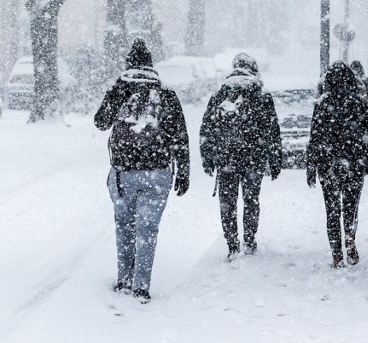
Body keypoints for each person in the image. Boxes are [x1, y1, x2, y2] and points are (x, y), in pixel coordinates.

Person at [94, 38, 190, 303]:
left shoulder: (121, 88)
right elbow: (179, 135)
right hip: (157, 172)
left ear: (128, 63)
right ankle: (141, 287)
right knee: (148, 231)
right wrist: (183, 170)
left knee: (124, 226)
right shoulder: (165, 93)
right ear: (150, 64)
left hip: (123, 172)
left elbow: (101, 122)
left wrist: (117, 92)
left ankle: (124, 280)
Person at [200, 53, 282, 261]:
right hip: (254, 157)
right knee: (251, 200)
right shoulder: (262, 95)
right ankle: (249, 239)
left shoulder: (220, 94)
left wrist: (208, 157)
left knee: (227, 202)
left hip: (226, 157)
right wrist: (275, 158)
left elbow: (207, 129)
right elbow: (272, 129)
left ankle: (232, 243)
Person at [306, 61, 368, 268]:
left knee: (331, 210)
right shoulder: (360, 104)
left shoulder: (322, 104)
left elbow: (314, 138)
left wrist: (311, 167)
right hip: (355, 163)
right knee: (351, 207)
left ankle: (336, 254)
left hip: (327, 163)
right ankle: (350, 241)